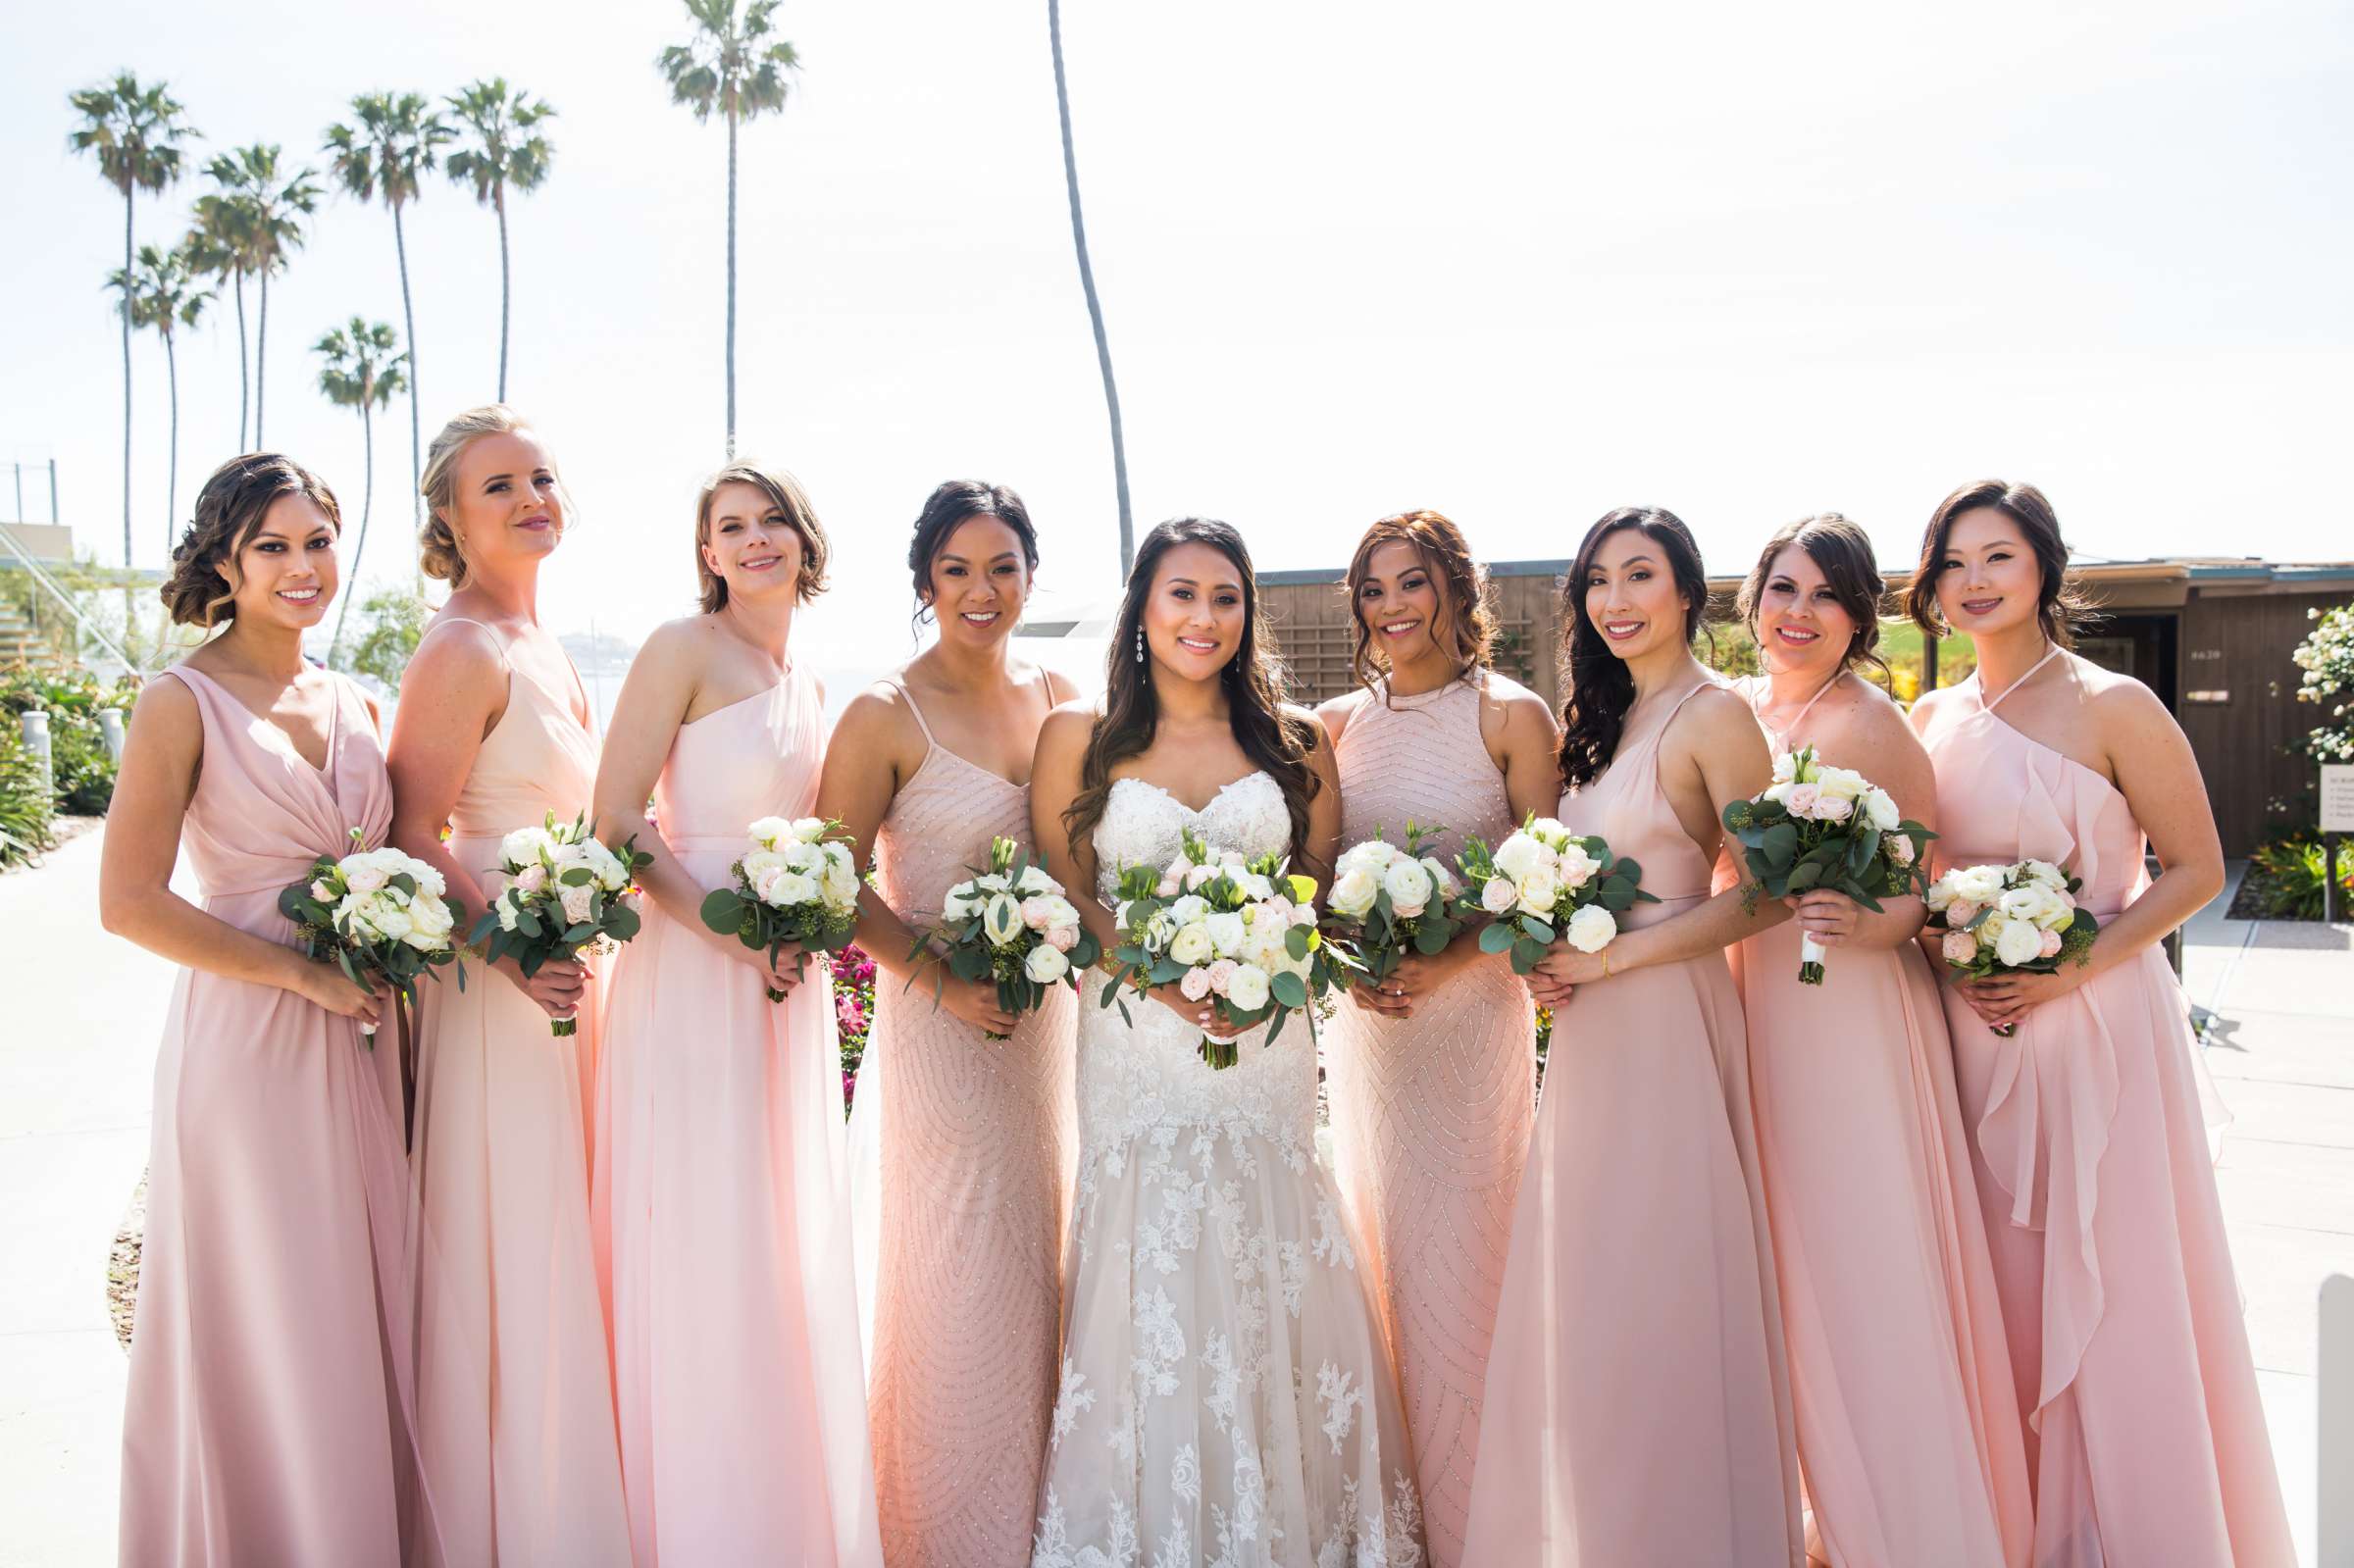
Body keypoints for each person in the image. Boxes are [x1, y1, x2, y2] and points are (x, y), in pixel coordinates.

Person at [1908, 479, 2295, 1566]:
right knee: (2006, 1288)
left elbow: (2197, 870)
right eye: (1954, 563)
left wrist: (2072, 963)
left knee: (2117, 1281)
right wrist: (1953, 956)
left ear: (2043, 567)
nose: (1974, 582)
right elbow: (1919, 888)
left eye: (1997, 557)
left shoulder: (2113, 704)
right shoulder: (1927, 721)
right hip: (1979, 1035)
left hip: (2103, 1029)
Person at [1026, 517, 1425, 1563]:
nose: (1205, 617)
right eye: (1182, 594)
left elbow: (1320, 897)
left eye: (1226, 597)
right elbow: (1071, 902)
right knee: (1148, 1273)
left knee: (1269, 1258)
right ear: (1143, 610)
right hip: (1134, 1047)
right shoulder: (1080, 736)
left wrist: (1266, 979)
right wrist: (1161, 983)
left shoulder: (1297, 742)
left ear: (1249, 615)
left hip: (1265, 1045)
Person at [105, 454, 434, 1565]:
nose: (303, 569)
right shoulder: (178, 700)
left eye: (318, 543)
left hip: (362, 1041)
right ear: (226, 564)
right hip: (249, 1049)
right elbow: (129, 904)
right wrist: (300, 975)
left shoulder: (357, 699)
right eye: (273, 548)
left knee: (353, 1313)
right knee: (268, 1310)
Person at [1463, 506, 1800, 1566]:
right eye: (1598, 580)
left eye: (1639, 574)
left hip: (1668, 1024)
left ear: (1689, 591)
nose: (1615, 599)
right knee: (1598, 1290)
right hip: (1596, 1031)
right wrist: (1555, 951)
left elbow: (1772, 893)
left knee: (1663, 1282)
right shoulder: (1599, 721)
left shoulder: (1717, 714)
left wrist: (1613, 961)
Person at [590, 462, 881, 1563]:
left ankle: (772, 1503)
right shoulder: (681, 648)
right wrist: (727, 931)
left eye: (772, 522)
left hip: (779, 983)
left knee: (774, 1241)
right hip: (691, 965)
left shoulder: (806, 678)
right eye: (731, 528)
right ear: (706, 553)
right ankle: (692, 1513)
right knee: (701, 1230)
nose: (755, 541)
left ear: (805, 540)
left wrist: (797, 934)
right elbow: (615, 817)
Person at [1730, 513, 2031, 1566]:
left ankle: (1898, 1525)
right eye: (1781, 588)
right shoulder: (1732, 713)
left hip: (1844, 1010)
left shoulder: (1873, 727)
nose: (1797, 612)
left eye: (1823, 594)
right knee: (1769, 1254)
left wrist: (1871, 922)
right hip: (1747, 1001)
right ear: (1754, 600)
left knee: (1854, 1250)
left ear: (1860, 615)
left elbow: (1922, 892)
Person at [817, 481, 1077, 1567]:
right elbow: (830, 876)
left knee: (1047, 1260)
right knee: (961, 1274)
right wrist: (937, 977)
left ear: (1029, 575)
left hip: (1048, 1034)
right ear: (925, 581)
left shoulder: (1062, 692)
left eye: (1004, 567)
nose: (984, 590)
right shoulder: (885, 710)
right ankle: (948, 1535)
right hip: (941, 1029)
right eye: (960, 570)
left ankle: (1049, 1525)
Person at [386, 405, 630, 1564]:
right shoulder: (462, 647)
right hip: (499, 989)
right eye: (499, 487)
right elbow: (410, 828)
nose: (533, 498)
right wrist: (513, 952)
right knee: (512, 1244)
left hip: (564, 979)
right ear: (449, 518)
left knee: (567, 1240)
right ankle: (510, 1523)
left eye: (541, 476)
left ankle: (566, 1499)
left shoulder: (544, 644)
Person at [1314, 508, 1557, 1566]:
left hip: (1470, 1023)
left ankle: (1488, 1521)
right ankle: (1400, 1518)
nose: (1392, 607)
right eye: (1373, 589)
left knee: (1472, 1254)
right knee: (1376, 1253)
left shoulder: (1511, 715)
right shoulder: (1333, 725)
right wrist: (1352, 965)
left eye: (1411, 582)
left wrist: (1450, 959)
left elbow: (1544, 886)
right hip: (1371, 1031)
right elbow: (1317, 882)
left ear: (1457, 588)